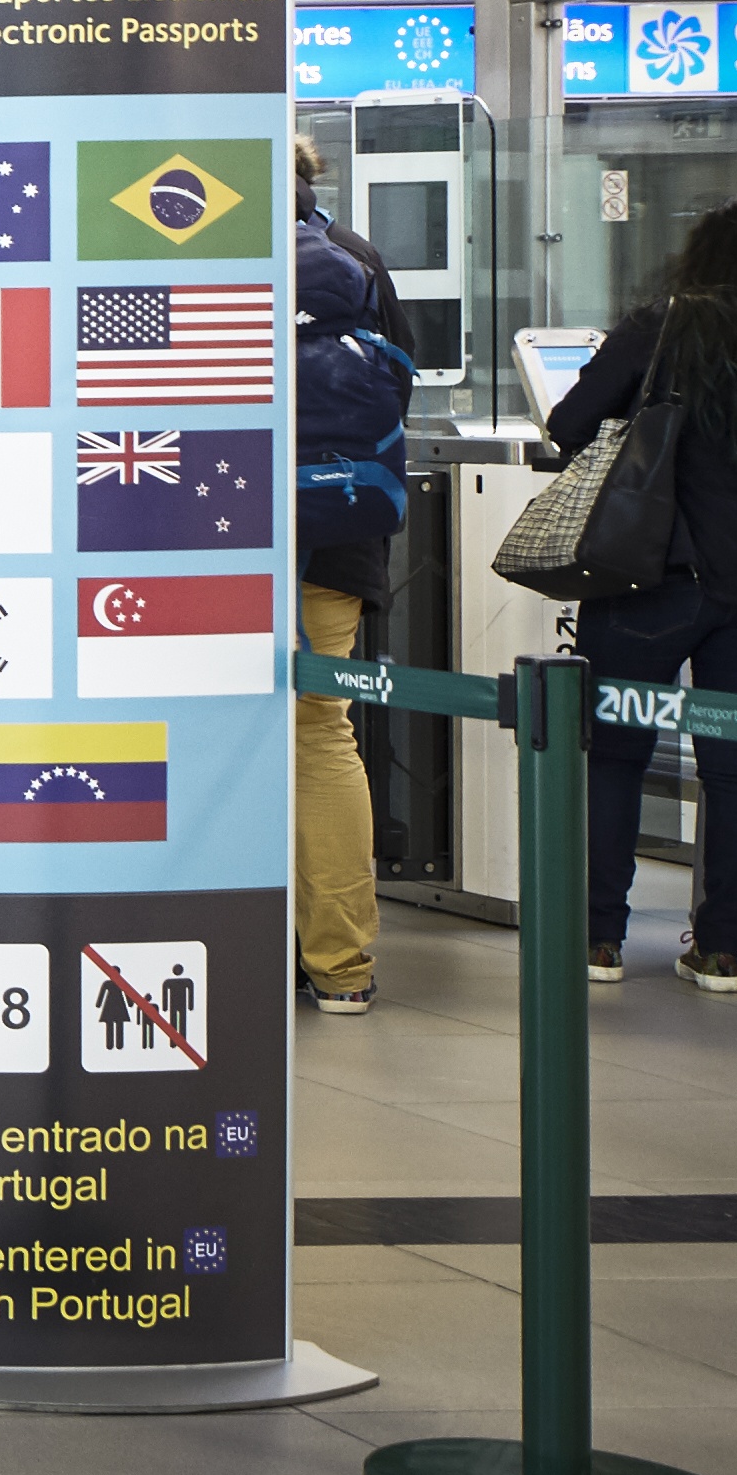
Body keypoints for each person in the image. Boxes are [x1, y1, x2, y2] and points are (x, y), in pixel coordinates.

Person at [539, 194, 737, 995]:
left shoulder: (665, 325)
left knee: (613, 754)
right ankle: (720, 951)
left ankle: (598, 940)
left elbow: (572, 421)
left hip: (653, 572)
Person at [291, 154, 415, 1015]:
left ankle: (217, 938)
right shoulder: (356, 256)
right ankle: (340, 966)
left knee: (186, 735)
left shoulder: (173, 242)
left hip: (189, 539)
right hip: (335, 534)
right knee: (319, 735)